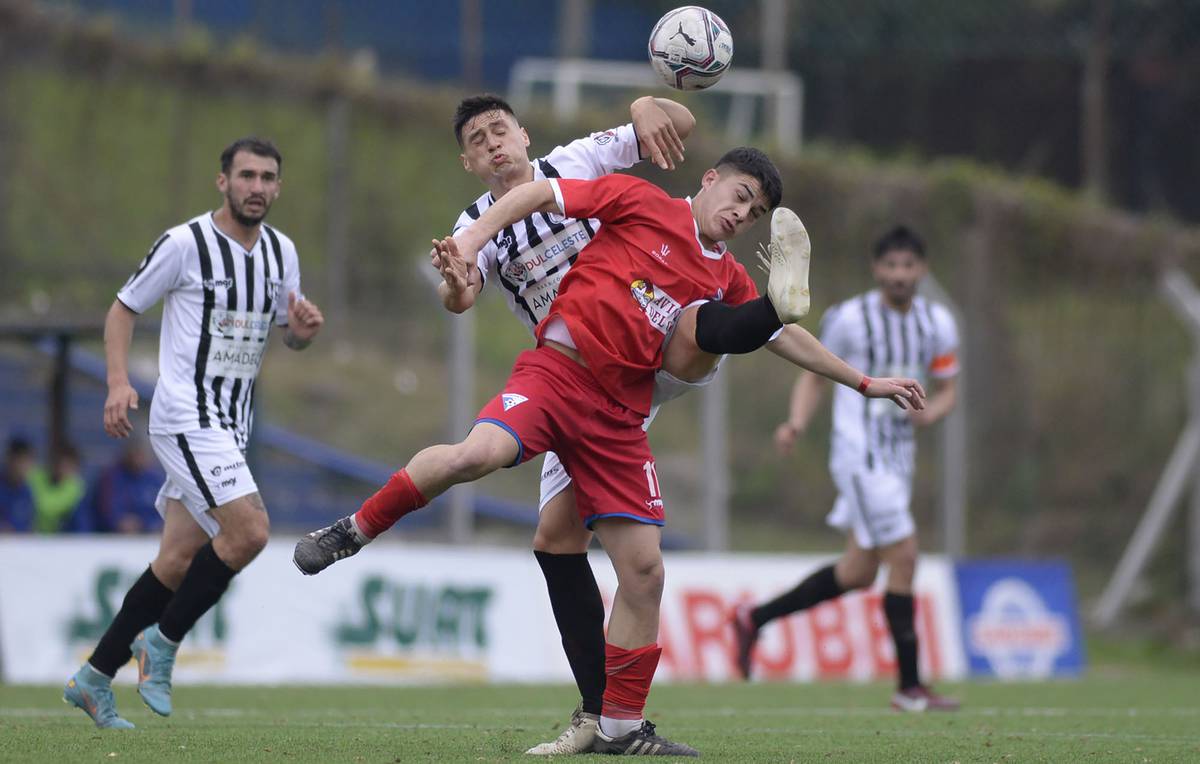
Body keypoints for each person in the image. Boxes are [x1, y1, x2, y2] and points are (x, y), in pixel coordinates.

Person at [295, 149, 925, 755]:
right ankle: (354, 529)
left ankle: (619, 728)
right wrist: (473, 237)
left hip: (621, 415)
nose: (742, 214)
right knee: (476, 455)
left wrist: (865, 383)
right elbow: (543, 191)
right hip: (559, 373)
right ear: (709, 180)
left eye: (755, 212)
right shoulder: (639, 199)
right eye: (739, 196)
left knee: (644, 571)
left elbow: (785, 337)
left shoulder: (724, 270)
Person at [64, 137, 324, 729]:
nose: (257, 186)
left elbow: (287, 330)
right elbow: (123, 309)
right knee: (252, 531)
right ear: (222, 182)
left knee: (178, 559)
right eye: (246, 175)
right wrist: (115, 382)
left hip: (232, 422)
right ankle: (162, 642)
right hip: (186, 413)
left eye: (267, 178)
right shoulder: (186, 243)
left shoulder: (282, 252)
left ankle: (93, 678)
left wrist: (303, 331)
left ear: (278, 187)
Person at [731, 225, 961, 712]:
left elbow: (947, 388)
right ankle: (910, 687)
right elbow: (816, 372)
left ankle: (755, 618)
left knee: (858, 571)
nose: (899, 274)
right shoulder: (851, 319)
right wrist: (796, 421)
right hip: (860, 455)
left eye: (908, 265)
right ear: (877, 269)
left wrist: (930, 415)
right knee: (905, 556)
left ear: (922, 270)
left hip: (898, 458)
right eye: (891, 265)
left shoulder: (938, 322)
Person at [78, 436, 164, 534]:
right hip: (114, 537)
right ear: (127, 454)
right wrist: (120, 522)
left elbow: (163, 509)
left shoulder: (155, 478)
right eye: (135, 453)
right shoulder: (111, 477)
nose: (139, 457)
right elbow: (107, 510)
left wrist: (154, 524)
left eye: (141, 453)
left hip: (150, 534)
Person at [29, 442, 86, 533]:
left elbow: (47, 507)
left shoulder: (76, 486)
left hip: (61, 540)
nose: (62, 468)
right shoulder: (36, 476)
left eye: (68, 465)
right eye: (59, 463)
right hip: (31, 537)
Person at [0, 435, 35, 533]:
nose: (25, 466)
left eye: (28, 461)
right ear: (10, 459)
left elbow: (28, 526)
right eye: (21, 461)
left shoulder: (27, 491)